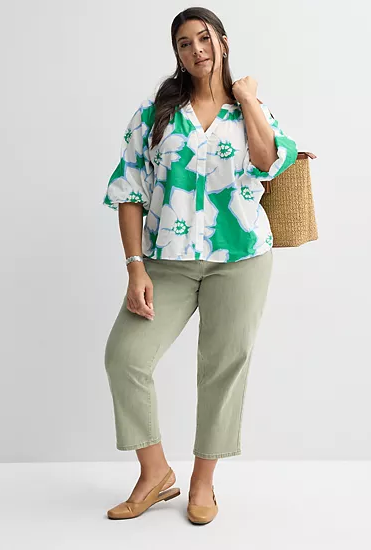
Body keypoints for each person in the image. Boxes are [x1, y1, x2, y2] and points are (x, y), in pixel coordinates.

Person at [101, 7, 298, 524]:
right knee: (125, 357)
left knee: (222, 367)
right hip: (167, 262)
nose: (196, 50)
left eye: (204, 38)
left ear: (223, 43)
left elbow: (269, 160)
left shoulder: (250, 108)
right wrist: (135, 267)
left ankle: (203, 482)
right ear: (177, 53)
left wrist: (247, 98)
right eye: (184, 43)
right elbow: (128, 189)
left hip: (240, 258)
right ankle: (154, 473)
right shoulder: (155, 113)